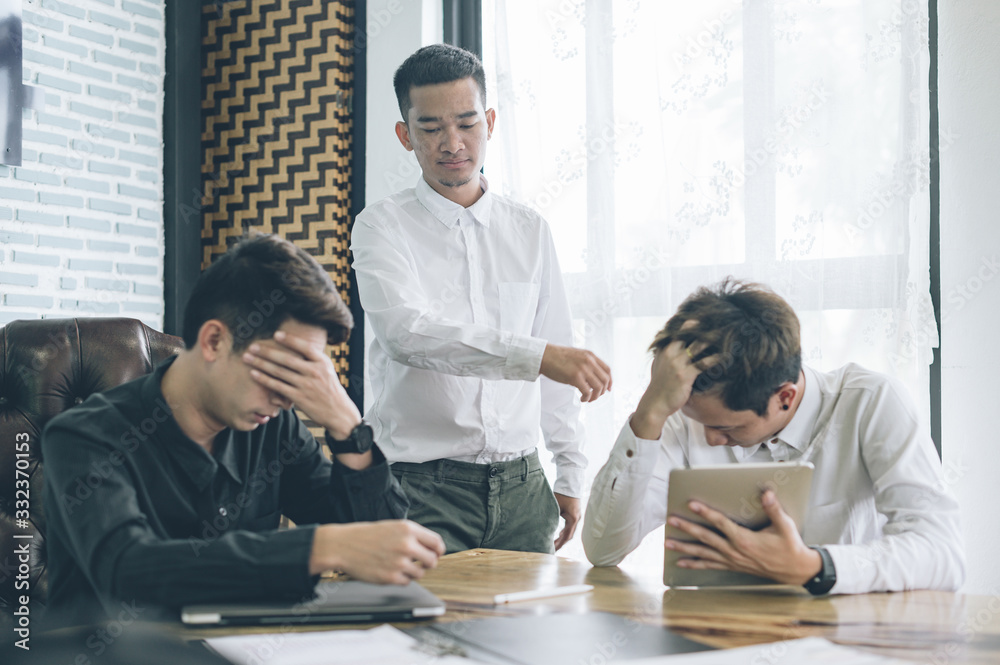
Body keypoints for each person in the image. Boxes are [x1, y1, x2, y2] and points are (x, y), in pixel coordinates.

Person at [42, 234, 445, 626]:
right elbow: (128, 570)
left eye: (303, 373)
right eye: (280, 370)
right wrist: (319, 548)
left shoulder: (274, 428)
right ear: (214, 341)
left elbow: (380, 542)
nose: (288, 397)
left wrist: (347, 424)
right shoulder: (84, 437)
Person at [350, 44, 612, 554]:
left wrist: (569, 471)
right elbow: (406, 334)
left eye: (467, 123)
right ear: (405, 135)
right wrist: (540, 356)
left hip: (525, 489)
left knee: (537, 611)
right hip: (421, 488)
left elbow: (555, 356)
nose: (452, 143)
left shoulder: (529, 229)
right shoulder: (380, 226)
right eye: (431, 128)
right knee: (423, 612)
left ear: (489, 122)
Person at [582, 278, 965, 594]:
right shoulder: (686, 415)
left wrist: (814, 565)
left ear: (785, 397)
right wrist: (649, 413)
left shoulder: (871, 402)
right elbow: (604, 549)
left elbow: (942, 553)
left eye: (727, 428)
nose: (710, 439)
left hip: (846, 636)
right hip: (716, 636)